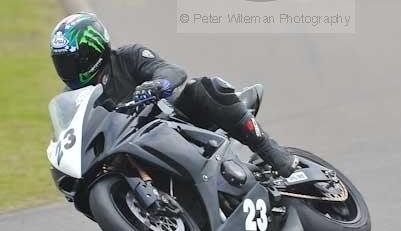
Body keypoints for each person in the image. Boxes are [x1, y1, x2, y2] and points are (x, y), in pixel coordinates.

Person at [50, 12, 298, 177]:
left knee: (204, 87)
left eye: (72, 62)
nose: (67, 70)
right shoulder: (75, 98)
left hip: (176, 123)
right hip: (132, 150)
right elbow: (72, 138)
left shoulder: (128, 57)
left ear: (92, 51)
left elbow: (172, 71)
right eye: (61, 64)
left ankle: (270, 151)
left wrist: (156, 85)